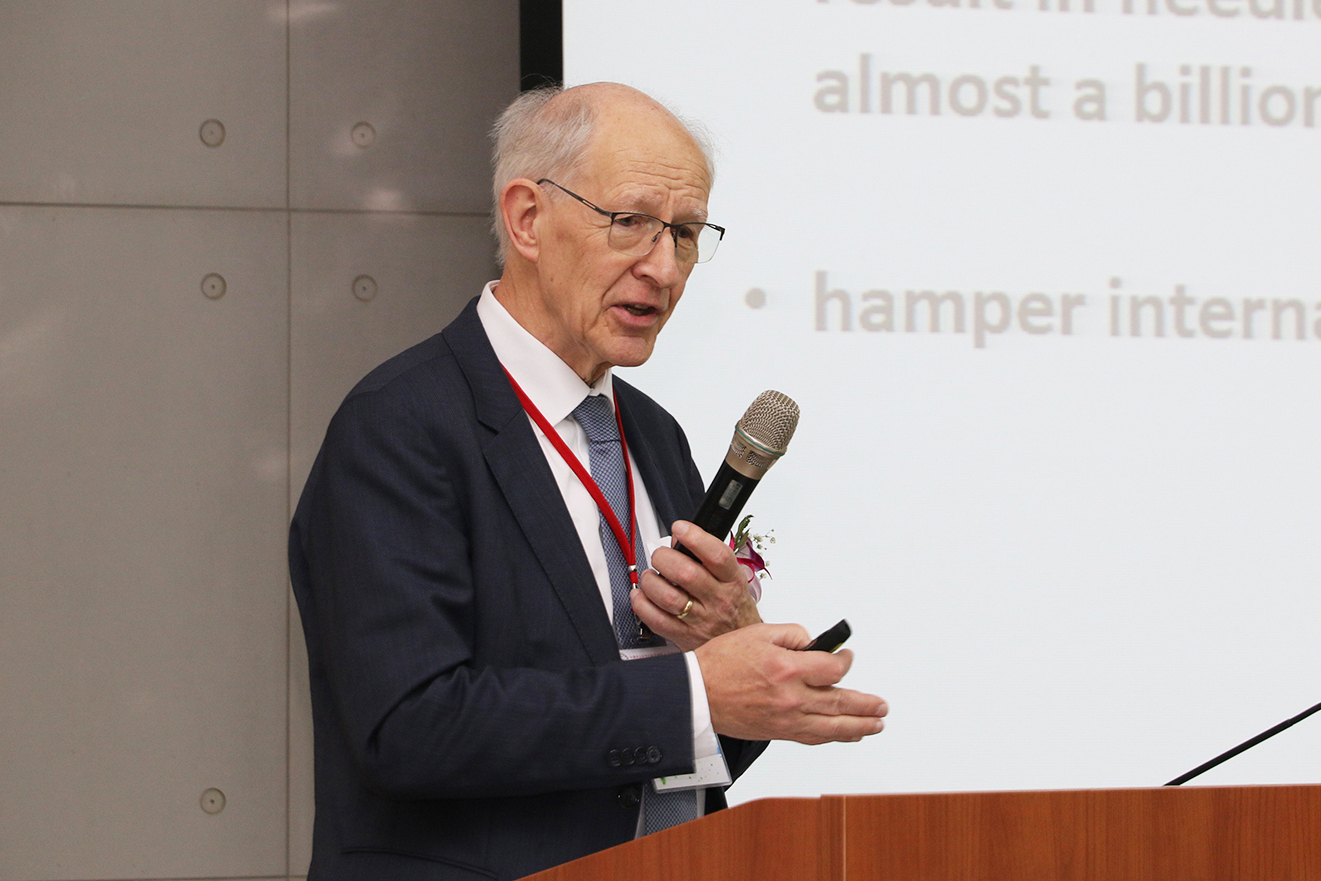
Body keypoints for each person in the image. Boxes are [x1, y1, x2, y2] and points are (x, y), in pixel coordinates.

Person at [289, 82, 888, 881]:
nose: (664, 267)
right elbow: (408, 726)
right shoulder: (401, 425)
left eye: (682, 232)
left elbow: (669, 752)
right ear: (527, 218)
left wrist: (734, 656)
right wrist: (696, 692)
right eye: (631, 223)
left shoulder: (653, 433)